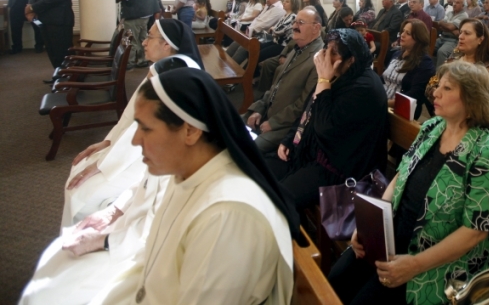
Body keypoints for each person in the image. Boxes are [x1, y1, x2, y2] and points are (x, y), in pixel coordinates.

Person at [83, 68, 301, 305]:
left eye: (146, 128)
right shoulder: (189, 173)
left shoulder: (227, 215)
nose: (135, 140)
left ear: (190, 131)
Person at [20, 55, 204, 305]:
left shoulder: (195, 166)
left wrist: (104, 241)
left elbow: (157, 231)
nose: (136, 140)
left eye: (147, 128)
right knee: (57, 261)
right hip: (131, 230)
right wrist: (113, 211)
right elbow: (144, 184)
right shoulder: (172, 140)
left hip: (151, 254)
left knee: (55, 291)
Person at [330, 62, 489, 305]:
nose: (435, 93)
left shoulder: (487, 152)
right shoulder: (432, 127)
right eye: (438, 86)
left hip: (437, 260)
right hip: (394, 236)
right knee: (337, 278)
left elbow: (476, 231)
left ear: (471, 99)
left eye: (447, 88)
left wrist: (414, 265)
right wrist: (369, 227)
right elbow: (400, 175)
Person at [60, 19, 204, 227]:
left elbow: (144, 129)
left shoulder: (172, 75)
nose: (143, 42)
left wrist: (103, 165)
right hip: (136, 147)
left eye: (150, 37)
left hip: (162, 155)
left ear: (166, 45)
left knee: (83, 196)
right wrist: (108, 142)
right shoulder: (162, 68)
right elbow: (130, 115)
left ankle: (89, 237)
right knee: (81, 171)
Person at [264, 29, 388, 210]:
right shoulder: (342, 74)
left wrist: (323, 79)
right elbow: (310, 110)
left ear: (351, 59)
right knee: (262, 170)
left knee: (278, 198)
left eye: (333, 52)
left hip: (339, 168)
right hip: (314, 150)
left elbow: (325, 127)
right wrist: (291, 138)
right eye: (326, 49)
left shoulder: (365, 88)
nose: (325, 57)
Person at [246, 7, 324, 154]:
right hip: (266, 112)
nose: (294, 26)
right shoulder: (297, 48)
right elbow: (275, 86)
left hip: (285, 126)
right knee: (228, 125)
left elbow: (305, 104)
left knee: (246, 150)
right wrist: (259, 109)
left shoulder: (318, 59)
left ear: (316, 28)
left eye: (300, 23)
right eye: (295, 22)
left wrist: (273, 122)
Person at [426, 19, 489, 108]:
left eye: (467, 33)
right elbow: (431, 84)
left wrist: (442, 95)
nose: (460, 37)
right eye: (460, 33)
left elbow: (478, 101)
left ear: (480, 39)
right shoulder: (454, 59)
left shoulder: (488, 69)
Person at [383, 19, 435, 120]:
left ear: (419, 38)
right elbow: (383, 78)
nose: (402, 35)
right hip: (383, 100)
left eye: (408, 33)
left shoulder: (425, 63)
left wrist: (383, 103)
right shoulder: (397, 54)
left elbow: (414, 95)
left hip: (400, 110)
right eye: (403, 31)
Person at [116, 0, 159, 67]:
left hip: (134, 16)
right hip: (145, 15)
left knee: (131, 39)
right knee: (142, 39)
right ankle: (142, 60)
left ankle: (129, 62)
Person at [226, 0, 285, 65]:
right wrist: (250, 30)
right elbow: (258, 19)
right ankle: (224, 61)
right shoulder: (268, 6)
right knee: (237, 41)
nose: (267, 0)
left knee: (243, 47)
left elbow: (265, 24)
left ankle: (231, 66)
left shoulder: (279, 9)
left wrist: (251, 30)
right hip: (255, 32)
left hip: (264, 37)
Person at [257, 0, 300, 64]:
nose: (284, 3)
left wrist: (273, 29)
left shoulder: (293, 17)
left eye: (287, 2)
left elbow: (279, 30)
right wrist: (273, 29)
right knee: (255, 49)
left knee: (259, 55)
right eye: (284, 1)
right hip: (276, 41)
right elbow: (276, 28)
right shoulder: (285, 15)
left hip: (283, 46)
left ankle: (254, 70)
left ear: (293, 4)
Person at [434, 0, 468, 67]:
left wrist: (444, 25)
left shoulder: (464, 16)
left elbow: (448, 26)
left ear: (463, 6)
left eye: (457, 3)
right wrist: (452, 29)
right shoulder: (449, 13)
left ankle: (440, 72)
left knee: (442, 52)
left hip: (452, 40)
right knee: (428, 46)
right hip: (442, 37)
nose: (454, 4)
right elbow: (440, 26)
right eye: (454, 2)